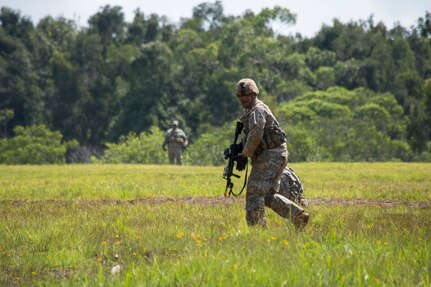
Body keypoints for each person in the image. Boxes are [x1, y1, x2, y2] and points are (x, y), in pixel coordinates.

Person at [235, 78, 309, 230]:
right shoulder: (251, 112)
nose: (244, 99)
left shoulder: (257, 111)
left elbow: (256, 133)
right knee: (267, 195)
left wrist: (245, 155)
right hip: (275, 154)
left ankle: (257, 231)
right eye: (241, 96)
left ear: (254, 94)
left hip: (270, 156)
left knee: (254, 193)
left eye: (247, 95)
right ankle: (298, 216)